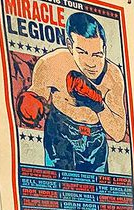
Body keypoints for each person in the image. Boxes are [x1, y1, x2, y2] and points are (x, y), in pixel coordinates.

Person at [15, 12, 128, 172]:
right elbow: (37, 96)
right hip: (60, 133)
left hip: (94, 139)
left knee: (96, 191)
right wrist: (30, 104)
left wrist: (97, 104)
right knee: (59, 191)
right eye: (82, 52)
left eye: (97, 54)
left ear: (104, 49)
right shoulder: (51, 64)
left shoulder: (113, 77)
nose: (91, 63)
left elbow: (117, 133)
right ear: (69, 45)